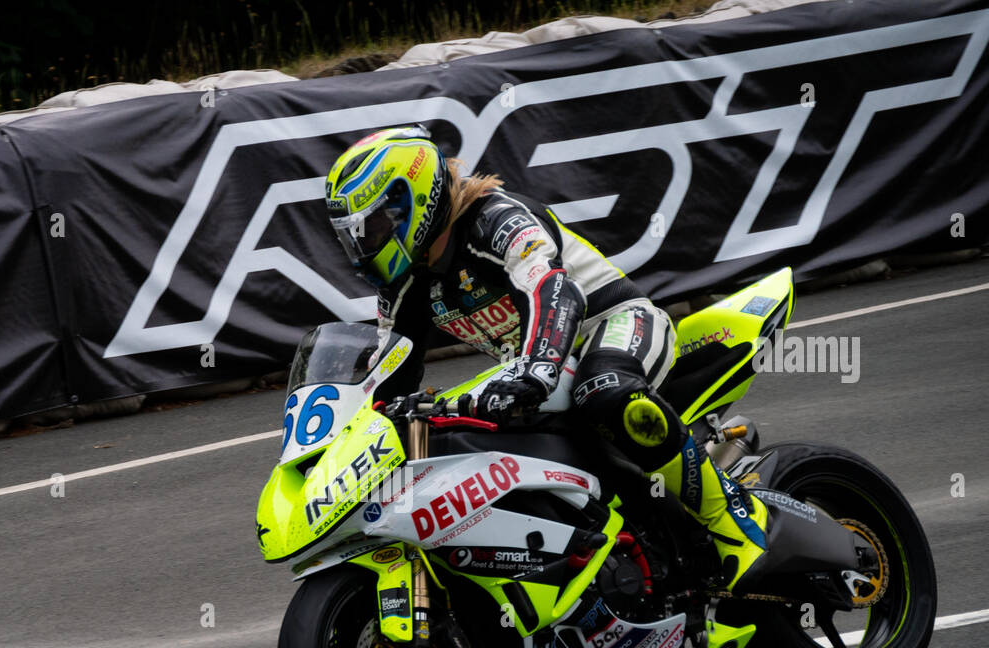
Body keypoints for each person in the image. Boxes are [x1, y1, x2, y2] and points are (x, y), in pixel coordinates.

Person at [324, 124, 771, 593]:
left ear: (410, 202)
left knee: (607, 392)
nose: (363, 248)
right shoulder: (405, 285)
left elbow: (553, 290)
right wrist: (345, 444)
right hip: (539, 364)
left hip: (613, 325)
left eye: (372, 228)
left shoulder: (496, 219)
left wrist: (539, 366)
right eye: (352, 237)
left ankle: (737, 523)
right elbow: (386, 373)